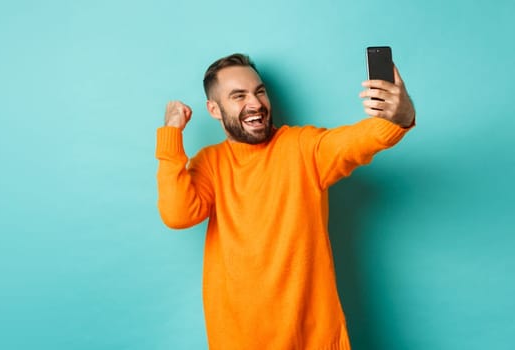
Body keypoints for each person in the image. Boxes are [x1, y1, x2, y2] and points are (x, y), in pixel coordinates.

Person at [155, 53, 415, 349]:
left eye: (259, 92)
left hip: (313, 339)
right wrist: (170, 135)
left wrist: (401, 115)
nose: (255, 104)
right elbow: (178, 214)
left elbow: (359, 140)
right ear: (214, 109)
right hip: (239, 341)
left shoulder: (303, 148)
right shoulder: (210, 164)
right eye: (238, 96)